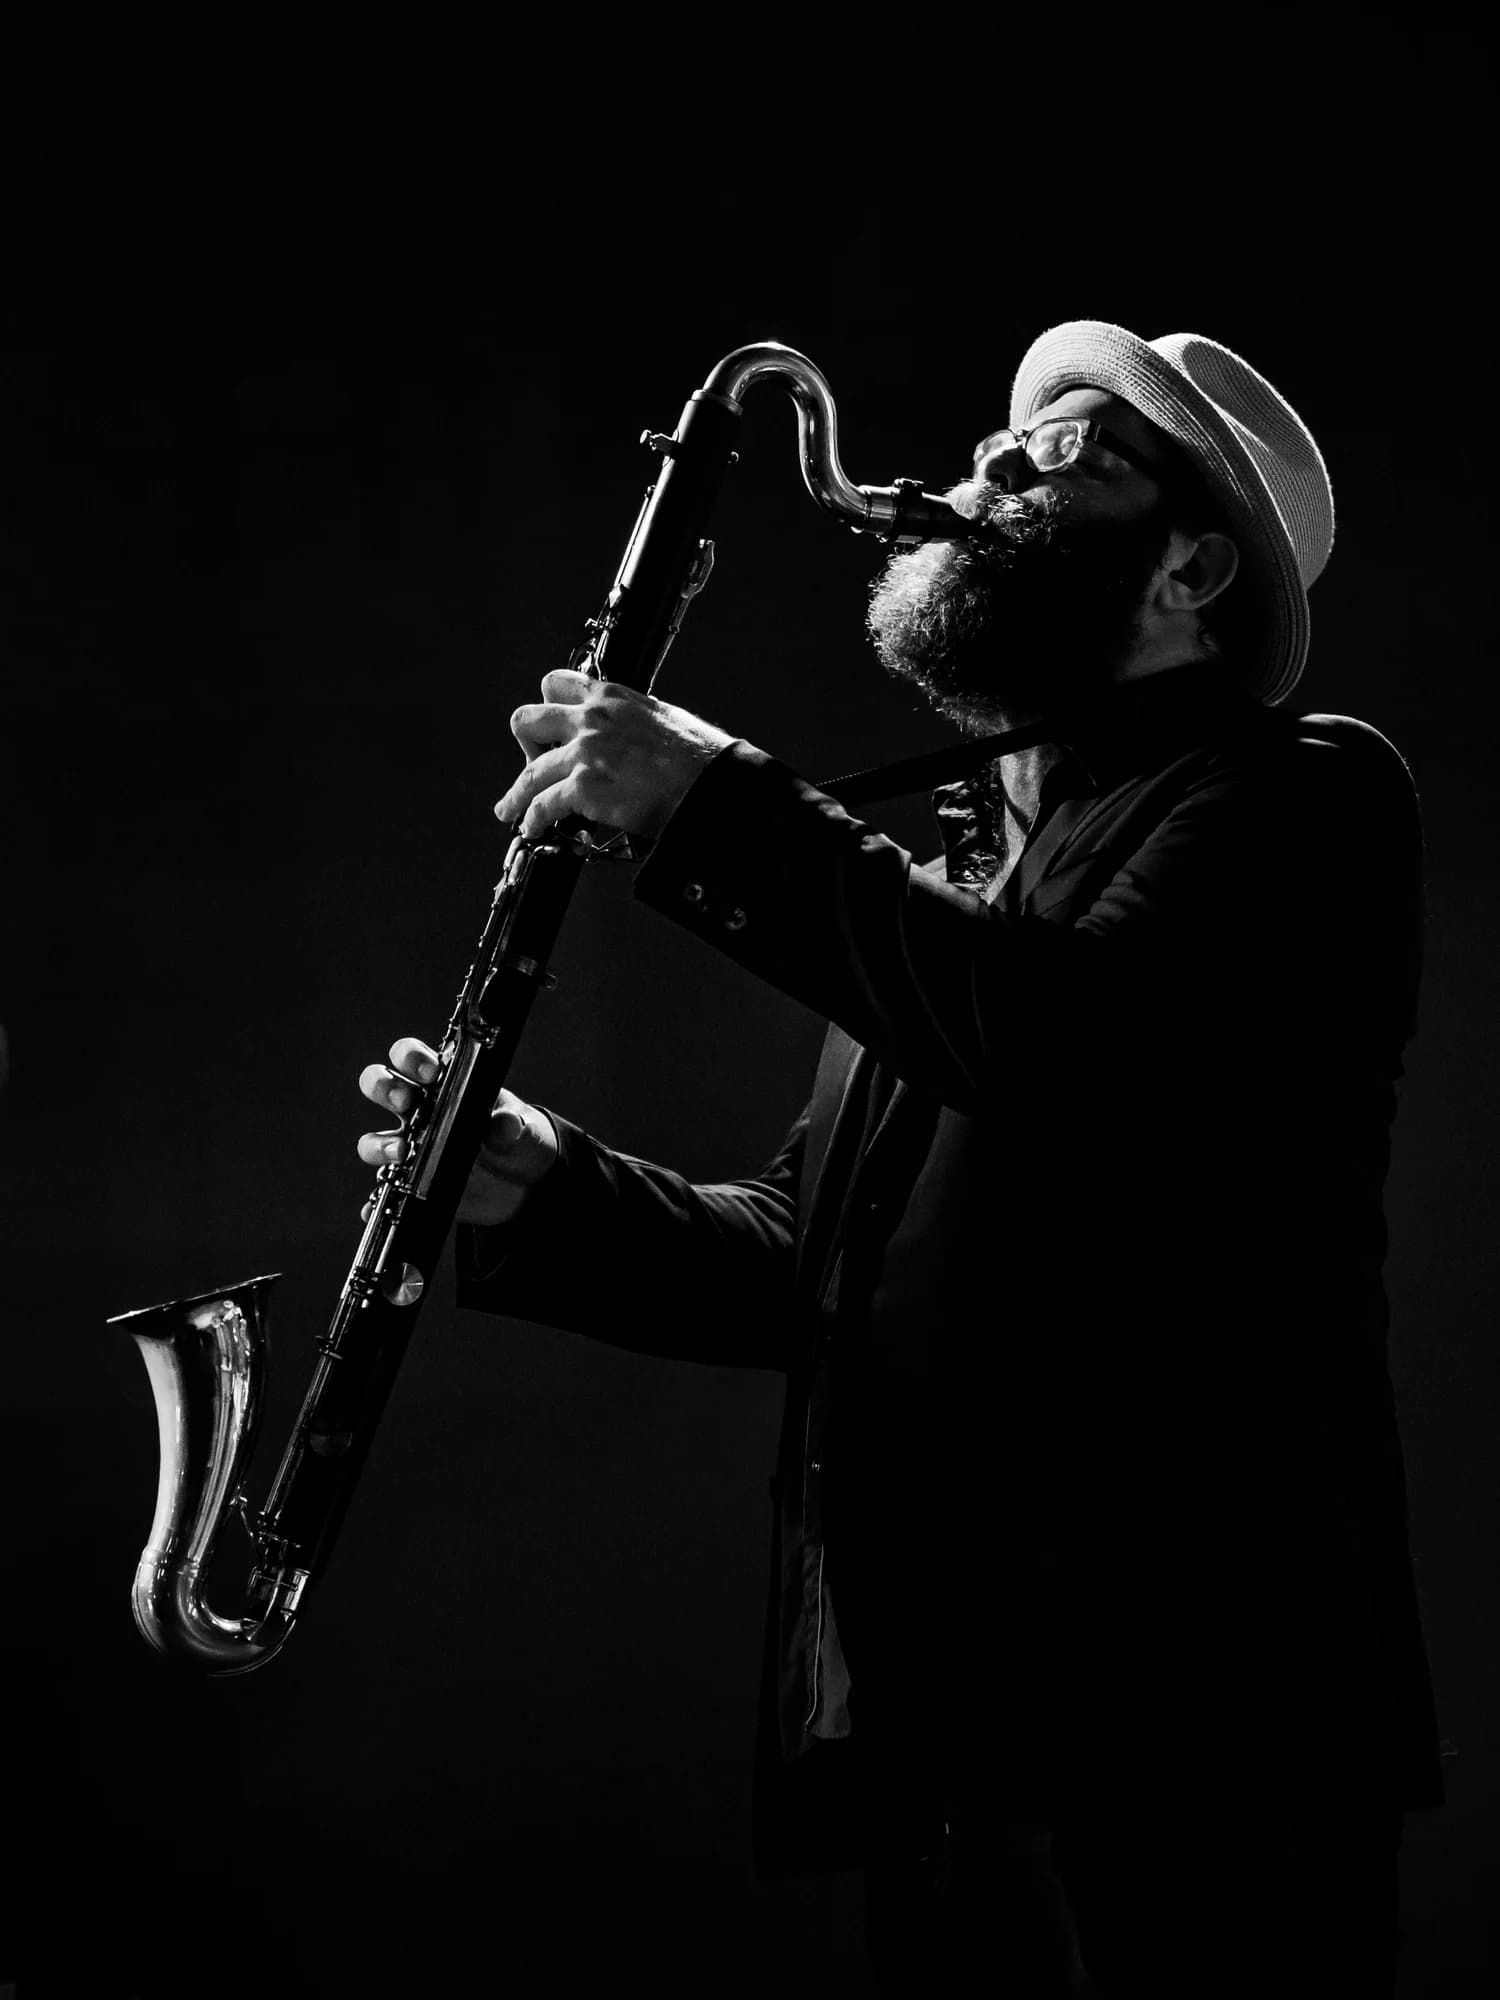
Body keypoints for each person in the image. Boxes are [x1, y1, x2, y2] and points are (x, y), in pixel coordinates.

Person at [358, 322, 1443, 1995]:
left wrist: (721, 805)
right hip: (949, 1740)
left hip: (1202, 1745)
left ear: (1191, 570)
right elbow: (823, 1258)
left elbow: (1064, 1044)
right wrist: (542, 1181)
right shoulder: (963, 883)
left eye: (1074, 453)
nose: (993, 461)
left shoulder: (1300, 799)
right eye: (1009, 437)